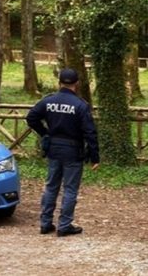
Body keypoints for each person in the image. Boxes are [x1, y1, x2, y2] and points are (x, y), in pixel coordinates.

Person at [26, 69, 99, 237]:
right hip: (73, 151)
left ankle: (45, 223)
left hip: (53, 149)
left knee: (51, 186)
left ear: (59, 82)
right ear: (77, 83)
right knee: (70, 189)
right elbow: (90, 132)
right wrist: (95, 156)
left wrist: (45, 133)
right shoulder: (80, 105)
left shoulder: (48, 101)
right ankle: (64, 225)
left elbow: (31, 118)